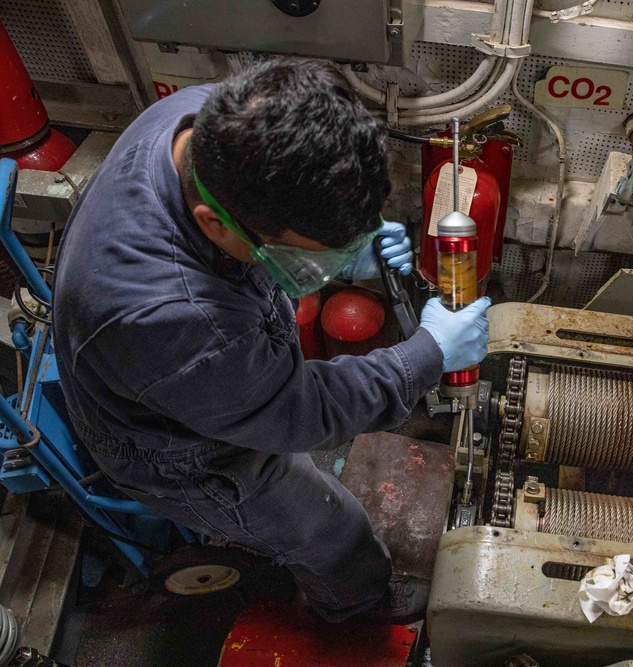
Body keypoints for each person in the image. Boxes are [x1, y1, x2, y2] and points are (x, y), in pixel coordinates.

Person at [52, 59, 491, 625]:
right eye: (312, 250)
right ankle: (354, 608)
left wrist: (347, 246)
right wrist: (428, 354)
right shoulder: (173, 317)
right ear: (215, 225)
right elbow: (298, 413)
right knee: (334, 533)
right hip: (182, 451)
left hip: (196, 376)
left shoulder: (211, 122)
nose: (327, 261)